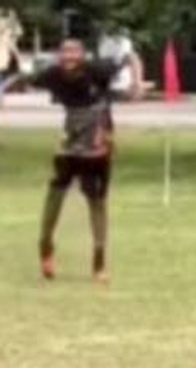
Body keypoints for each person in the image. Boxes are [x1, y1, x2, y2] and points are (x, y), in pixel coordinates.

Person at [28, 38, 143, 283]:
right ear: (60, 56)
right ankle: (45, 245)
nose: (70, 57)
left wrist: (136, 82)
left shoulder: (97, 70)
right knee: (55, 195)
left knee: (97, 201)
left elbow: (131, 56)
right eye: (65, 52)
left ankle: (99, 264)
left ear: (83, 55)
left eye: (75, 52)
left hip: (98, 143)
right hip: (70, 142)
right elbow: (31, 77)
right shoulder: (52, 74)